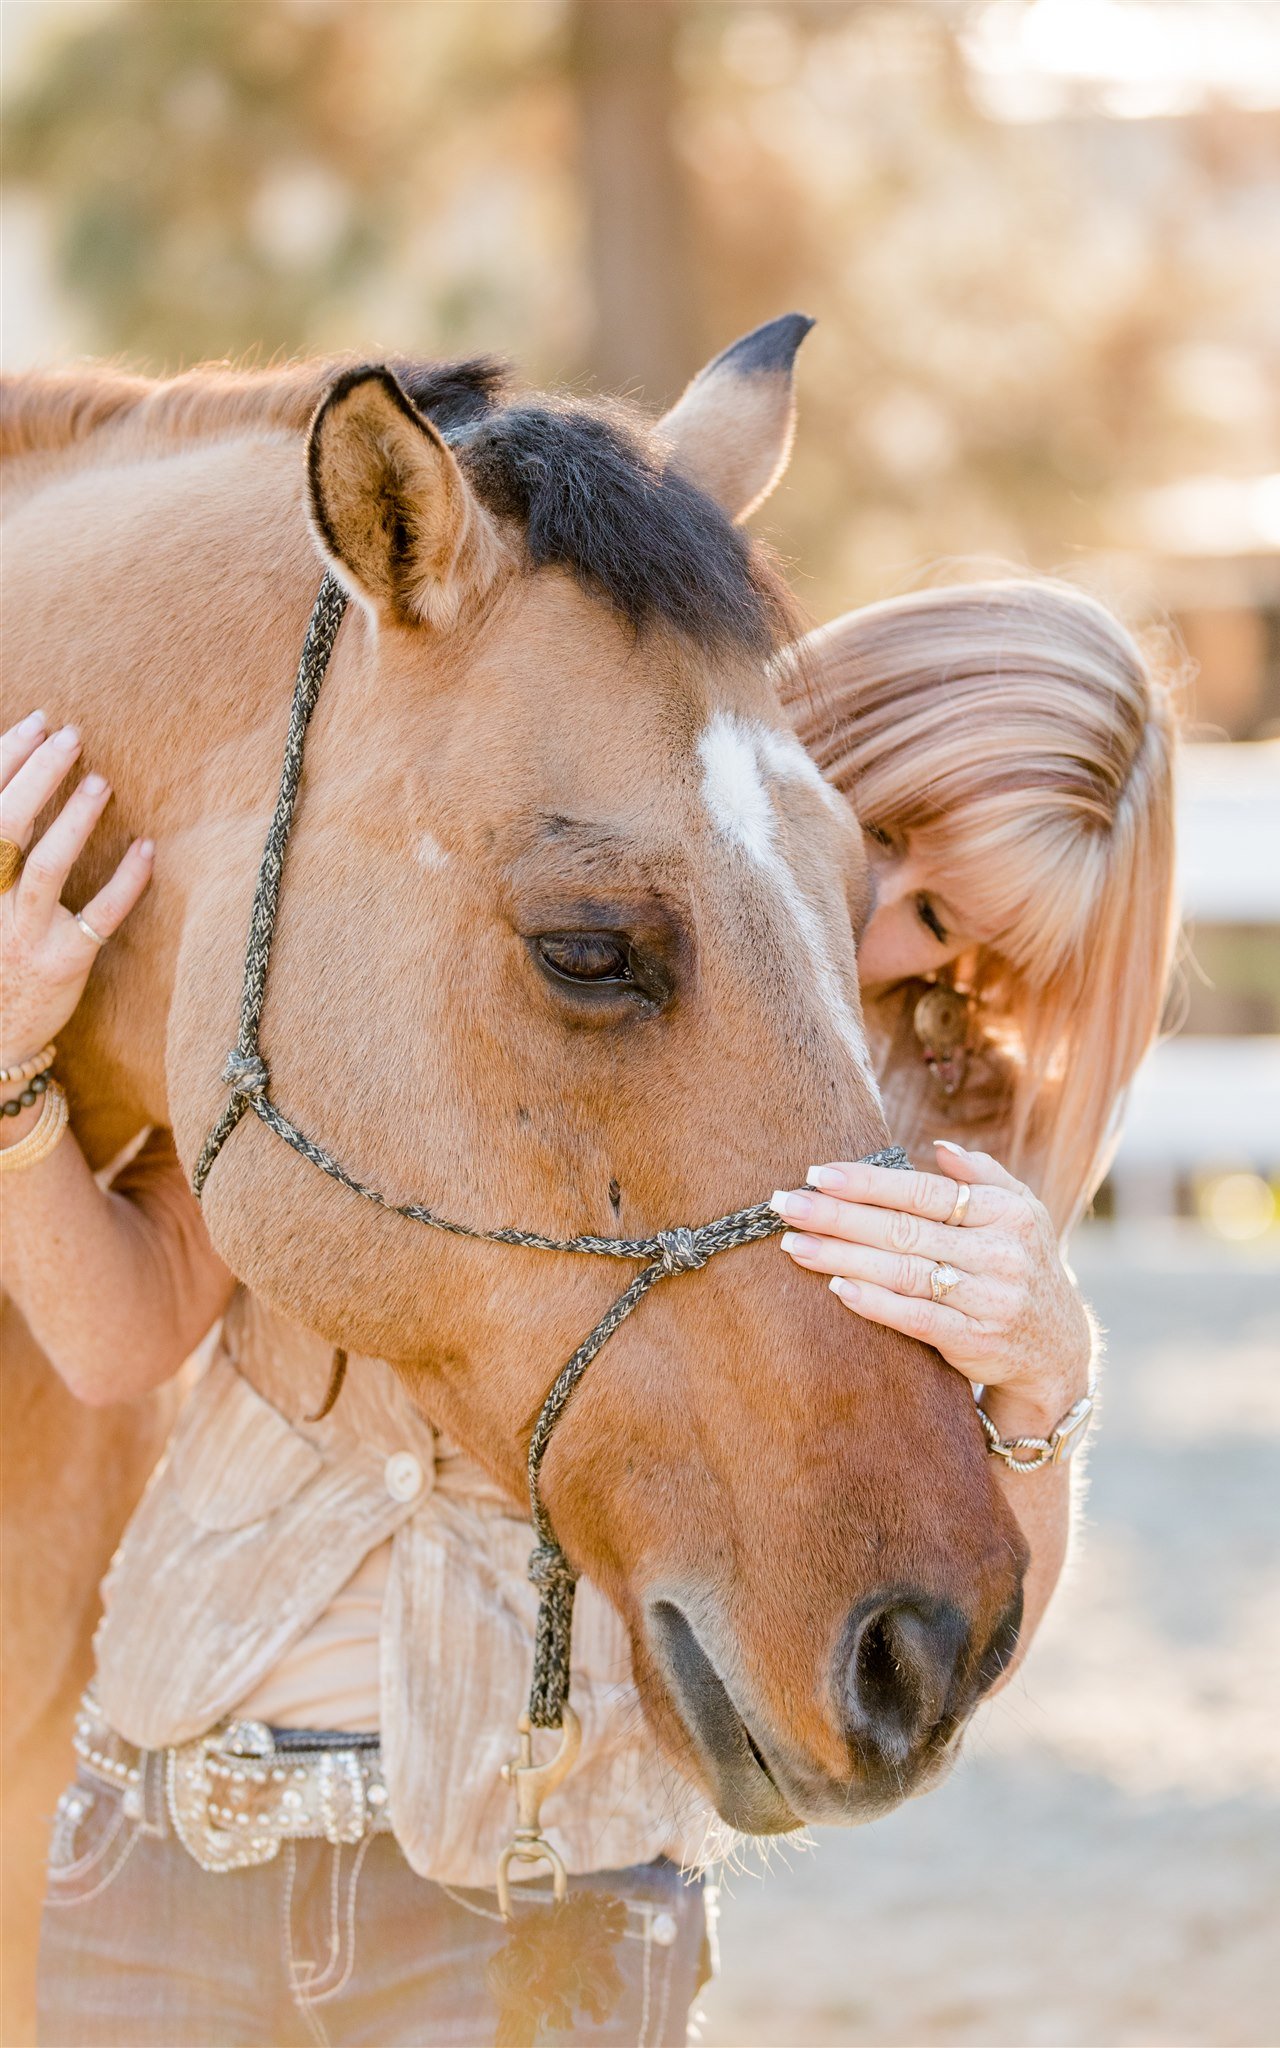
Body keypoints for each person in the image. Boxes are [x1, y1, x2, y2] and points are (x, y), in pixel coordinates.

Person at [1, 573, 1178, 2046]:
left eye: (954, 942)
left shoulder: (932, 1138)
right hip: (170, 1842)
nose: (890, 948)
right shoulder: (484, 925)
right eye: (887, 855)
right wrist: (11, 1076)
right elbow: (125, 1334)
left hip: (524, 1902)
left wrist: (1040, 1382)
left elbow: (930, 1631)